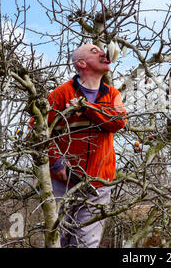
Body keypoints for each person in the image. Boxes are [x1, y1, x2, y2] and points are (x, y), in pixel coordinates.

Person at [46, 43, 126, 247]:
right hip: (62, 183)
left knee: (86, 243)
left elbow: (118, 122)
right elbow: (37, 132)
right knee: (59, 240)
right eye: (94, 51)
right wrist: (55, 161)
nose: (102, 52)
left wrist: (87, 108)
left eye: (102, 49)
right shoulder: (60, 94)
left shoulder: (112, 94)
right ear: (81, 63)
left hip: (98, 185)